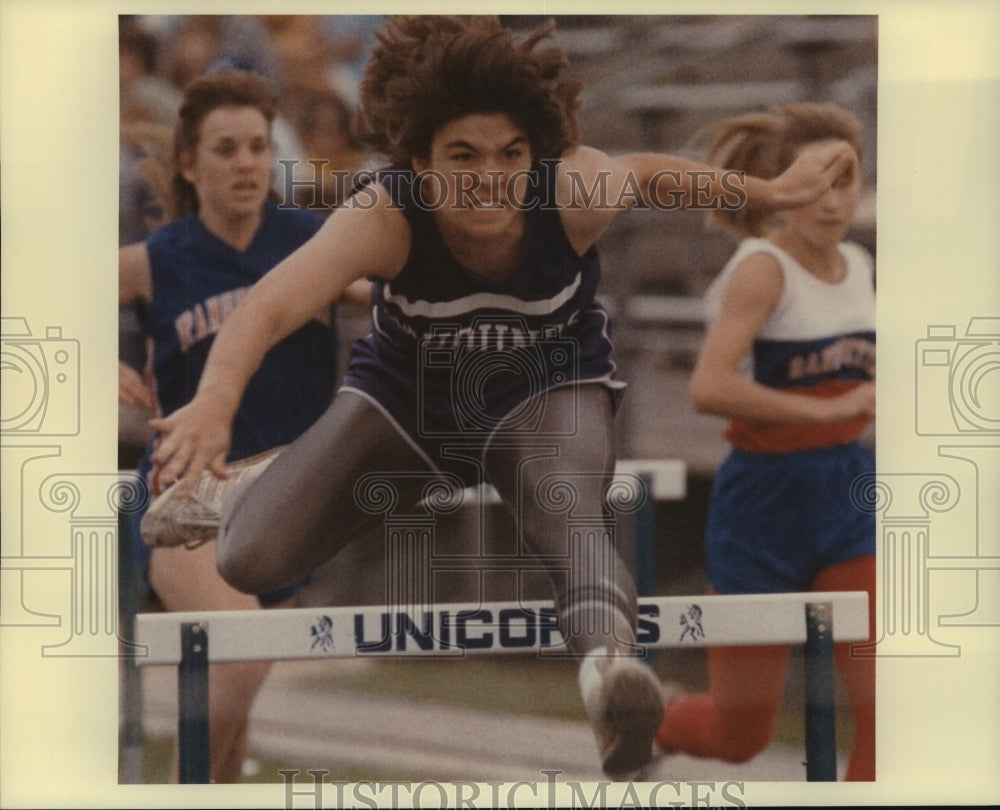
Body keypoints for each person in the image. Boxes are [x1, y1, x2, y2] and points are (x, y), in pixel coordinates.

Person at [142, 17, 857, 777]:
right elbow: (269, 306)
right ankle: (253, 483)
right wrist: (214, 403)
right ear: (421, 163)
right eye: (463, 157)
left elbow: (650, 174)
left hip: (546, 397)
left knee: (570, 516)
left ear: (534, 157)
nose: (489, 178)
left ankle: (611, 676)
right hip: (408, 409)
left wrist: (769, 190)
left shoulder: (569, 188)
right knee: (252, 560)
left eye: (510, 155)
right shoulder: (385, 214)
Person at [118, 68, 367, 782]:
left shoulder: (311, 241)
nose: (246, 164)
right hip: (185, 496)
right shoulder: (156, 259)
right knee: (241, 656)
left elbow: (387, 286)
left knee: (234, 714)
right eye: (225, 149)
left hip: (287, 501)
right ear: (189, 164)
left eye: (258, 147)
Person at [653, 101, 876, 780]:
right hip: (762, 505)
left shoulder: (859, 262)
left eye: (846, 180)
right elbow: (709, 387)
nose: (831, 201)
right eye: (815, 183)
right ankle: (650, 717)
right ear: (783, 188)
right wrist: (827, 411)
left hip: (848, 498)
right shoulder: (761, 268)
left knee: (891, 716)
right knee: (739, 736)